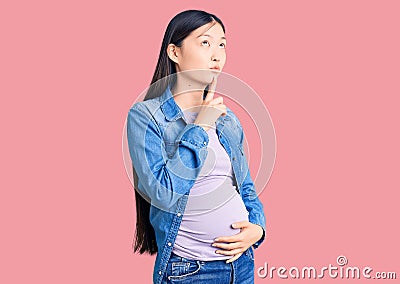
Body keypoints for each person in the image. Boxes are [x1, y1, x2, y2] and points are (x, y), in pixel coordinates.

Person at [126, 9, 266, 284]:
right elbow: (163, 193)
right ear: (174, 52)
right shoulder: (146, 116)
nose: (217, 54)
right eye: (205, 42)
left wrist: (258, 229)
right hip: (190, 272)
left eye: (222, 44)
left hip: (243, 266)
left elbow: (245, 186)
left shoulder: (228, 120)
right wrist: (200, 127)